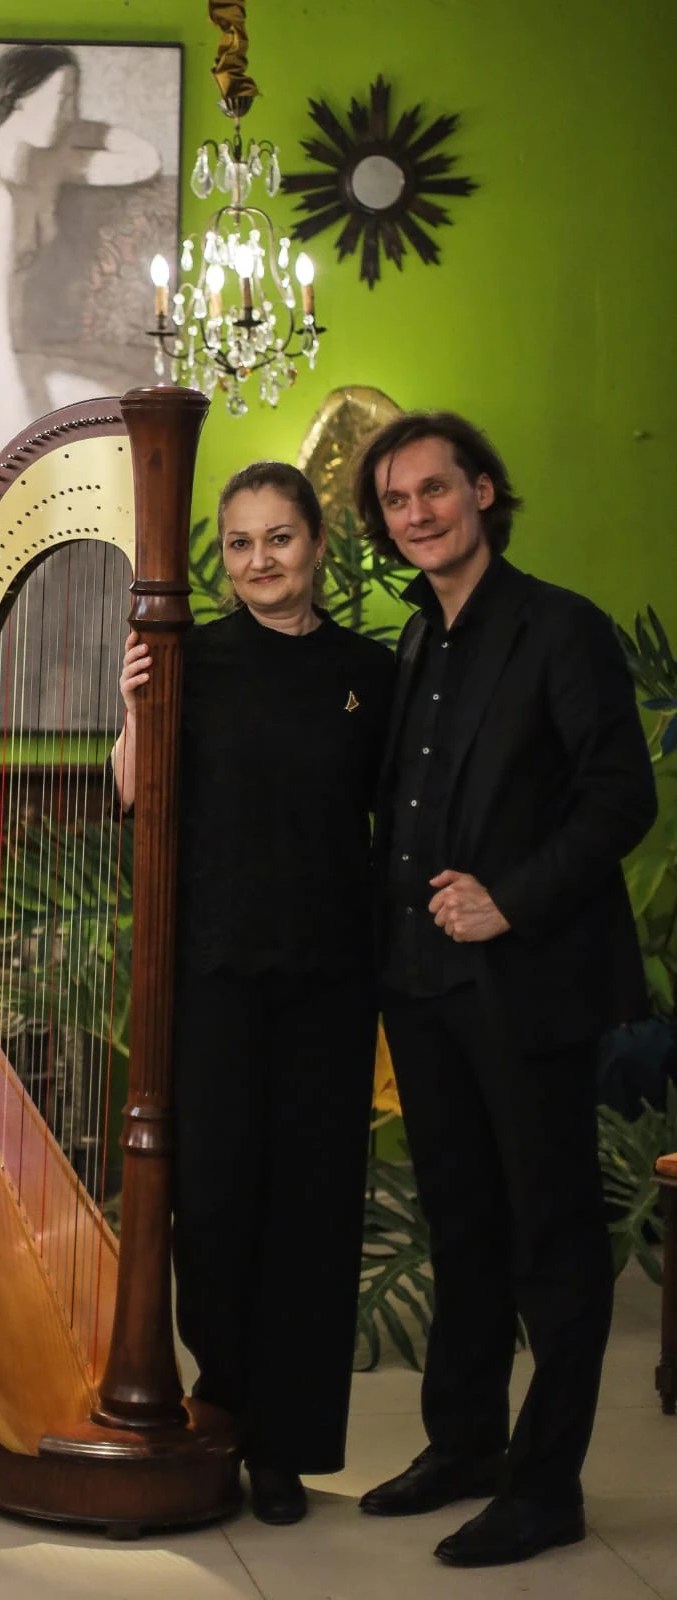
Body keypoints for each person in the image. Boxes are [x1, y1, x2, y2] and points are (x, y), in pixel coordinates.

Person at [354, 413, 657, 1566]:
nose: (417, 514)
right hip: (421, 981)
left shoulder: (559, 627)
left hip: (526, 981)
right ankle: (465, 1443)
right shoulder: (415, 640)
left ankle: (545, 1488)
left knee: (551, 1238)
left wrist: (509, 899)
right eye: (396, 501)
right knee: (463, 1225)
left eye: (434, 489)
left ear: (482, 491)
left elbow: (620, 796)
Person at [112, 461, 394, 1525]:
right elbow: (134, 792)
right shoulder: (187, 659)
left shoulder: (371, 672)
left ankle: (286, 1451)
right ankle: (223, 1411)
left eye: (279, 537)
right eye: (239, 543)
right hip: (212, 975)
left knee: (313, 1214)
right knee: (218, 1209)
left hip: (331, 978)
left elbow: (401, 818)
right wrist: (133, 707)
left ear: (316, 542)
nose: (260, 559)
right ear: (221, 558)